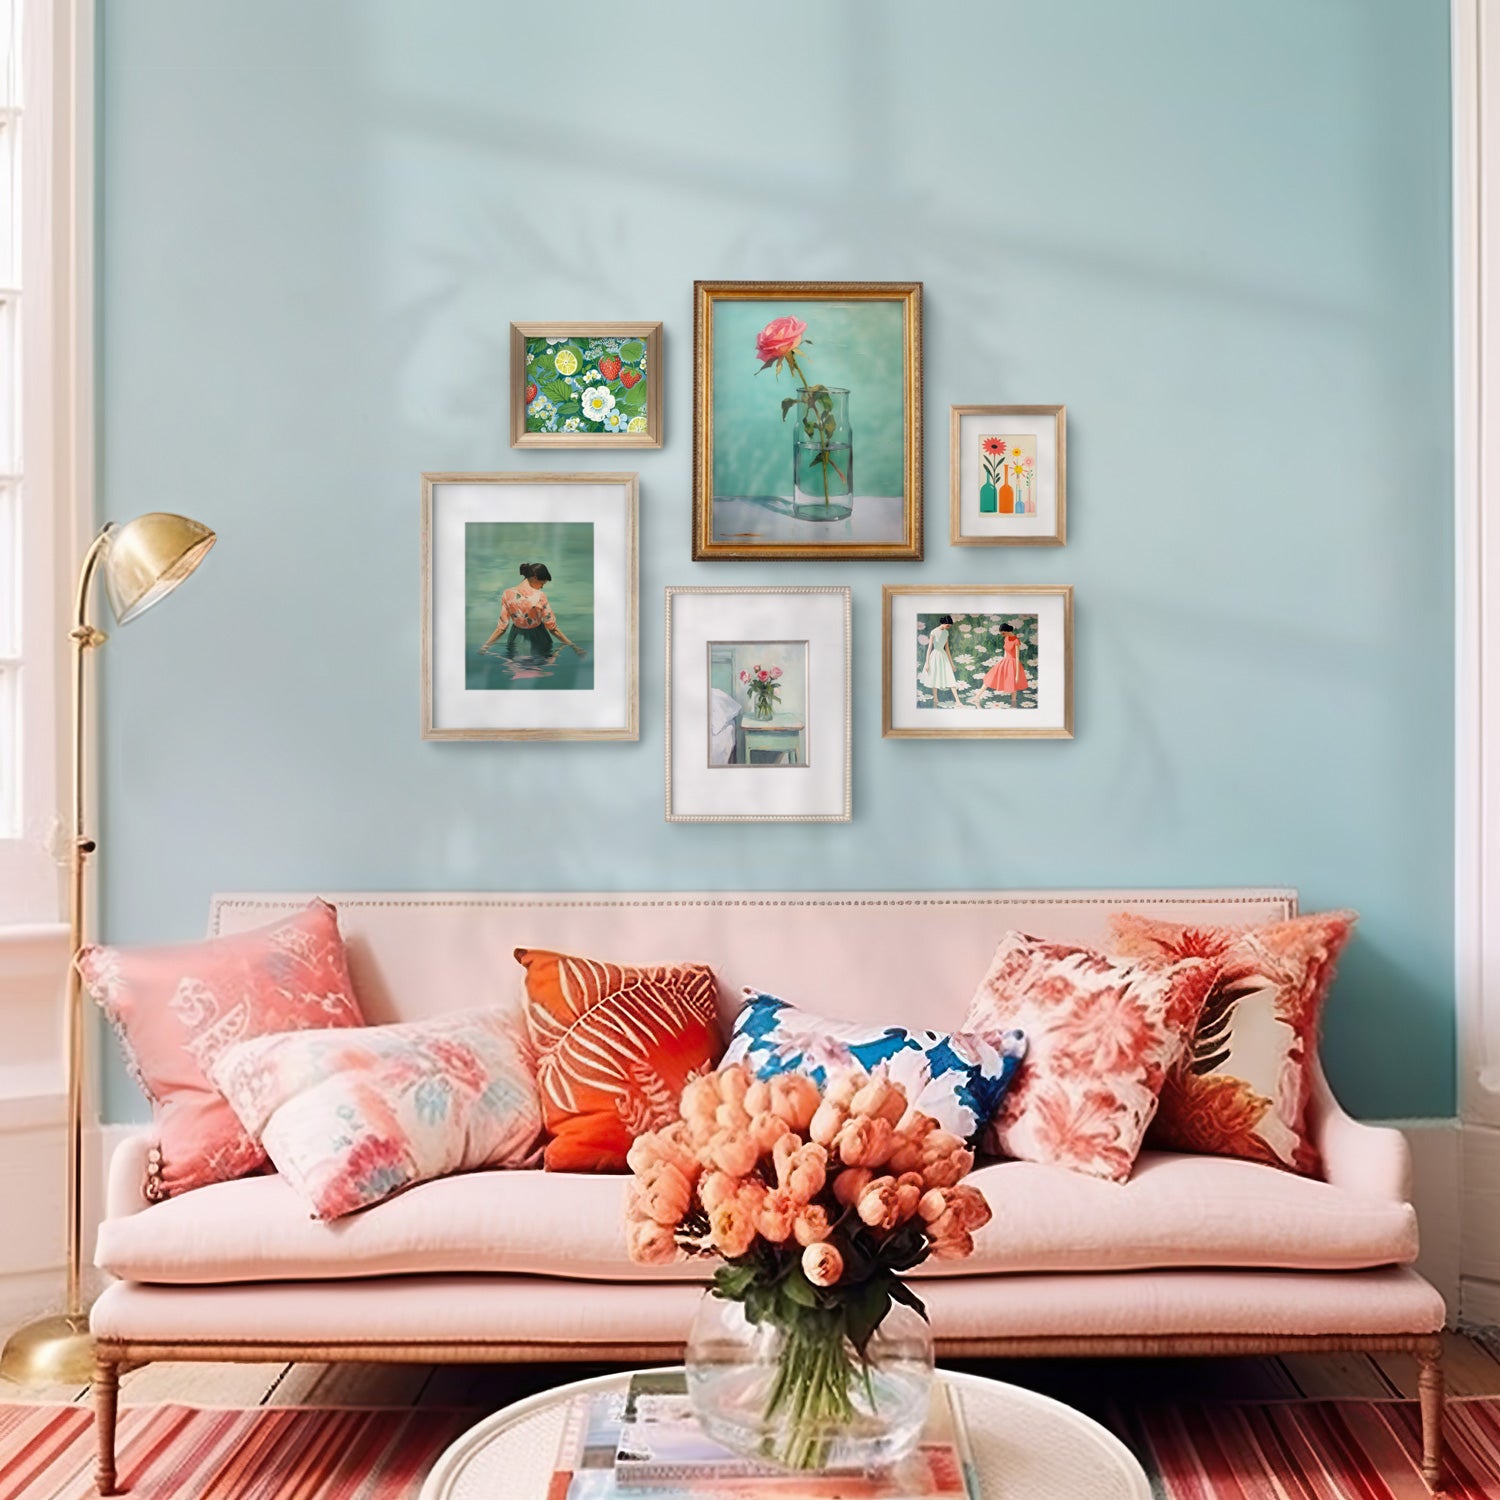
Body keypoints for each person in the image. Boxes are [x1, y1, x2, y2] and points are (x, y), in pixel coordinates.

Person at [480, 563, 586, 660]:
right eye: (542, 583)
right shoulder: (540, 595)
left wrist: (485, 646)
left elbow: (501, 628)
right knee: (541, 667)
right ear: (535, 578)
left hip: (516, 638)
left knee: (518, 668)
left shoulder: (507, 594)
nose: (542, 587)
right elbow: (552, 628)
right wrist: (573, 646)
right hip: (539, 638)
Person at [918, 614, 964, 708]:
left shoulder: (946, 633)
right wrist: (927, 663)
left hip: (943, 656)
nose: (948, 627)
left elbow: (947, 649)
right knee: (934, 677)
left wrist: (952, 664)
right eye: (948, 626)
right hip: (934, 656)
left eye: (950, 626)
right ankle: (935, 699)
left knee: (950, 677)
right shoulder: (933, 632)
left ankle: (958, 701)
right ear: (944, 623)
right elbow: (929, 648)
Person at [979, 623, 1028, 705]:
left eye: (1003, 633)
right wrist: (1002, 662)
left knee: (1013, 685)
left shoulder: (1016, 640)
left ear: (1007, 631)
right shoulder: (1006, 638)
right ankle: (977, 696)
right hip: (1005, 661)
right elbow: (1006, 652)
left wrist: (1016, 675)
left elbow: (1017, 657)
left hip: (1013, 663)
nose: (1002, 635)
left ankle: (1013, 703)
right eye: (1001, 633)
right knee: (990, 677)